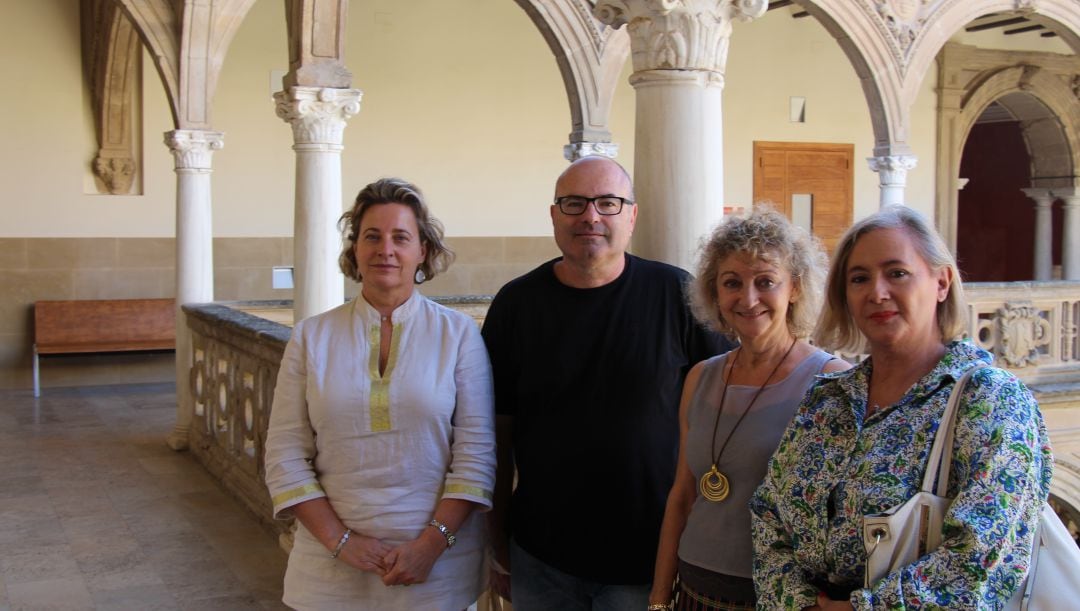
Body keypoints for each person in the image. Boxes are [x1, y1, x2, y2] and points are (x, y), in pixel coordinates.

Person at [750, 206, 1053, 610]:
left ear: (941, 282)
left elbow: (982, 559)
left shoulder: (990, 401)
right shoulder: (826, 399)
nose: (877, 292)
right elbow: (768, 517)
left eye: (897, 273)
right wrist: (800, 604)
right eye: (859, 278)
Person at [480, 156, 732, 610]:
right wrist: (495, 539)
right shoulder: (517, 305)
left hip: (649, 558)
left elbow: (722, 417)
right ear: (554, 215)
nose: (590, 216)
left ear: (631, 215)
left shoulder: (678, 296)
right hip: (542, 556)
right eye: (574, 203)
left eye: (608, 203)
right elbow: (495, 432)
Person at [264, 178, 496, 610]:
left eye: (401, 237)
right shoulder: (312, 337)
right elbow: (284, 453)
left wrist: (430, 545)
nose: (385, 249)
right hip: (329, 566)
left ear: (422, 251)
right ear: (354, 249)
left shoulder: (458, 335)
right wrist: (341, 541)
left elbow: (476, 453)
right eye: (371, 236)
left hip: (436, 566)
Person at [648, 209, 849, 611]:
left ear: (794, 288)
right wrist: (658, 598)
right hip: (694, 588)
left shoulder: (832, 382)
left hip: (778, 598)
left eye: (766, 282)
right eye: (732, 283)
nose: (748, 298)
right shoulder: (701, 378)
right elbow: (684, 495)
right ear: (715, 294)